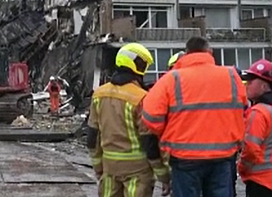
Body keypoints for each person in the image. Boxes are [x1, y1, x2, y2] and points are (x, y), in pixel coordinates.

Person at [142, 36, 247, 197]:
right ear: (210, 52)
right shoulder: (231, 76)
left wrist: (168, 132)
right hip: (223, 155)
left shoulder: (171, 79)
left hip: (184, 157)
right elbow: (243, 110)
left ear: (186, 54)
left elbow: (150, 118)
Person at [88, 43, 171, 197]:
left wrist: (99, 169)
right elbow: (149, 142)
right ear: (137, 65)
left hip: (109, 169)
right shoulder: (141, 97)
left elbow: (92, 137)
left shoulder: (99, 94)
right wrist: (164, 176)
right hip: (138, 172)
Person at [238, 59, 272, 196]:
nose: (247, 85)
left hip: (260, 181)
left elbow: (251, 149)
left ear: (264, 86)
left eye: (252, 81)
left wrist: (241, 168)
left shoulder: (258, 112)